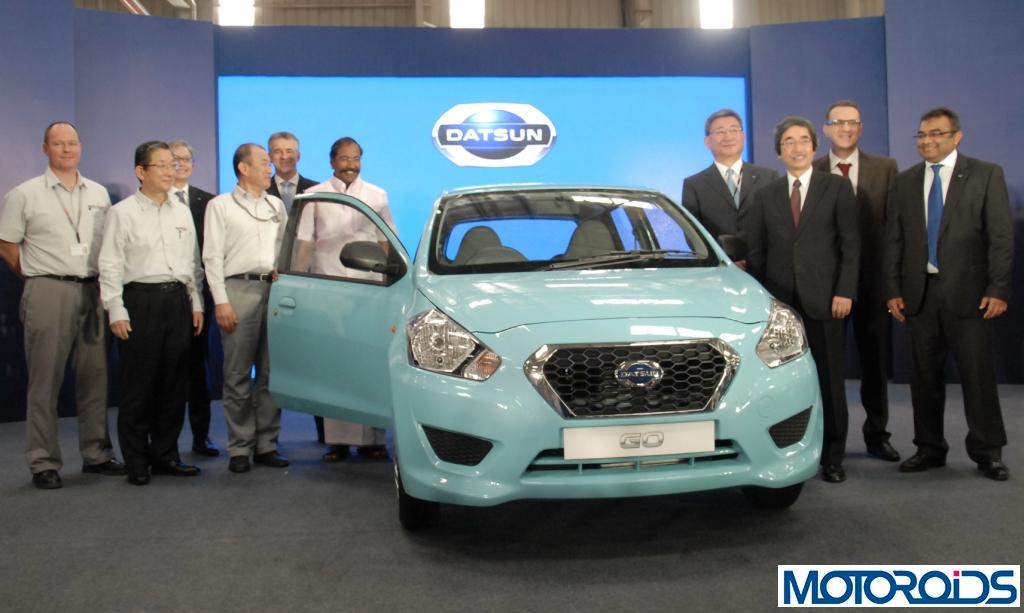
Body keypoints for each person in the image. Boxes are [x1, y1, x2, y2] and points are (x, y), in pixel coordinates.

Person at [885, 107, 1012, 482]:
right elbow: (893, 240)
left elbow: (1001, 237)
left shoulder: (986, 174)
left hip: (970, 296)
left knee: (977, 378)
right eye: (922, 134)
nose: (927, 141)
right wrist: (892, 289)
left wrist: (998, 288)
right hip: (919, 295)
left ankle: (988, 452)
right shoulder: (904, 182)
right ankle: (929, 448)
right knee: (924, 379)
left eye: (936, 134)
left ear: (957, 136)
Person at [0, 121, 125, 490]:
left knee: (95, 377)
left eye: (72, 143)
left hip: (93, 290)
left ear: (80, 147)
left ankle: (96, 454)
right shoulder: (24, 194)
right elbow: (7, 244)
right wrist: (35, 277)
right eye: (58, 144)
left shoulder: (98, 193)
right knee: (45, 379)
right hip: (48, 290)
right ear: (45, 149)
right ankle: (43, 461)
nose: (66, 149)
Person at [742, 116, 860, 484]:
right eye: (789, 142)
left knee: (829, 381)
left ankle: (833, 455)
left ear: (814, 146)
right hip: (782, 308)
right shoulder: (765, 195)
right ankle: (787, 451)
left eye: (803, 140)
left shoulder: (836, 187)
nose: (797, 147)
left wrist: (845, 290)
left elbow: (851, 245)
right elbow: (757, 252)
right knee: (782, 383)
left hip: (826, 301)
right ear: (779, 152)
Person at [98, 141, 204, 485]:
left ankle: (166, 454)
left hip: (177, 300)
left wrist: (196, 303)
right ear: (140, 171)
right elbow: (110, 264)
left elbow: (192, 262)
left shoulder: (181, 211)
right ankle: (137, 460)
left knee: (173, 384)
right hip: (139, 300)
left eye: (173, 164)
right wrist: (116, 309)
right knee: (139, 385)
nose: (171, 171)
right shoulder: (122, 213)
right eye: (162, 165)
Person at [813, 100, 901, 462]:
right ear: (826, 128)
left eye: (853, 122)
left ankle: (877, 435)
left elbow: (895, 229)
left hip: (872, 284)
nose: (846, 128)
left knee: (874, 365)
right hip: (827, 286)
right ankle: (829, 442)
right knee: (828, 368)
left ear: (861, 128)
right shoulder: (813, 169)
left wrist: (893, 285)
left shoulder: (886, 168)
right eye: (838, 122)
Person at [300, 136, 396, 462]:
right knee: (333, 364)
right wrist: (296, 282)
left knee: (369, 363)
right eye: (344, 159)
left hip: (368, 291)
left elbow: (386, 241)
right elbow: (304, 244)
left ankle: (373, 441)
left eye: (356, 159)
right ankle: (337, 442)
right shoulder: (314, 196)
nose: (351, 165)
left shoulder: (377, 195)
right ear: (332, 161)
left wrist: (391, 281)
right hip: (328, 288)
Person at [203, 143, 289, 474]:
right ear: (243, 168)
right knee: (238, 374)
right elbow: (212, 257)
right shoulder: (220, 206)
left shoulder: (275, 206)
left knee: (270, 373)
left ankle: (267, 443)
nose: (270, 168)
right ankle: (239, 446)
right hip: (237, 289)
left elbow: (285, 249)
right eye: (264, 162)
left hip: (274, 291)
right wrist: (221, 301)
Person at [168, 139, 219, 457]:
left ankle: (202, 437)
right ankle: (166, 441)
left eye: (186, 159)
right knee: (168, 369)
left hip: (201, 293)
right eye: (174, 159)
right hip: (164, 293)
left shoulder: (208, 201)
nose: (180, 164)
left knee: (198, 368)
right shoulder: (150, 200)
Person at [682, 108, 779, 264]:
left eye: (734, 130)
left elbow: (777, 226)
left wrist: (752, 260)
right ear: (707, 142)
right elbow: (693, 235)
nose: (728, 137)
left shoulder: (768, 177)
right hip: (720, 269)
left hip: (764, 267)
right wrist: (725, 262)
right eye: (720, 131)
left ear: (743, 136)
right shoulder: (694, 185)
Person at [266, 131, 318, 215]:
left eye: (289, 151)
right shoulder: (261, 190)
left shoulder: (316, 190)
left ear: (298, 156)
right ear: (269, 157)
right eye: (277, 151)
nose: (284, 156)